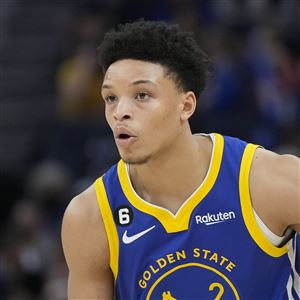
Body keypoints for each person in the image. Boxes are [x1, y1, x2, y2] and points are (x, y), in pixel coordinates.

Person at [61, 20, 300, 299]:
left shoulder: (269, 181)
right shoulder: (90, 217)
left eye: (142, 95)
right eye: (111, 97)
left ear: (185, 105)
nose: (120, 112)